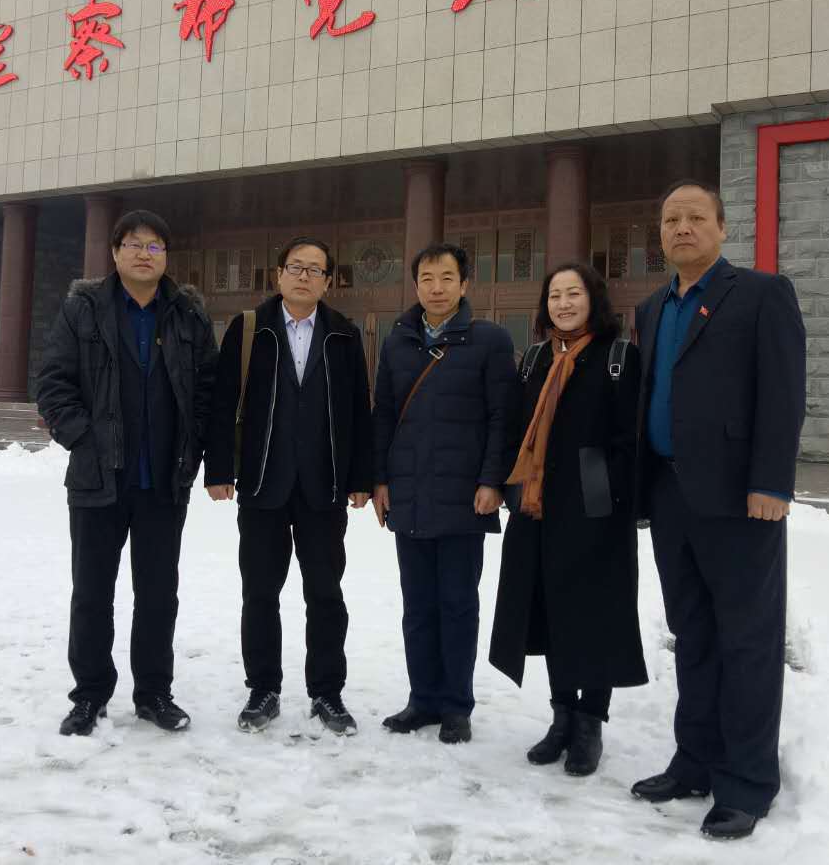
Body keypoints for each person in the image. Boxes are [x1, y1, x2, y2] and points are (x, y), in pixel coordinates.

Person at [629, 180, 806, 840]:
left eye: (695, 217)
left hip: (740, 500)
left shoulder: (761, 294)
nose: (681, 227)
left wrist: (773, 483)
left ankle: (747, 782)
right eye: (670, 219)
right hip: (670, 494)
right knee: (693, 634)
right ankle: (694, 761)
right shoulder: (652, 307)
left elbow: (784, 394)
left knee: (747, 640)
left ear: (722, 227)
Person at [36, 209, 217, 737]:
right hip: (99, 480)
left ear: (167, 257)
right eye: (134, 244)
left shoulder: (187, 314)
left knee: (158, 595)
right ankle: (90, 695)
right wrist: (84, 439)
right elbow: (53, 383)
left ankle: (154, 693)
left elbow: (208, 388)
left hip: (163, 481)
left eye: (155, 246)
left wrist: (194, 449)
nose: (144, 254)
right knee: (92, 593)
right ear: (114, 252)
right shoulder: (83, 309)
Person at [203, 236, 373, 735]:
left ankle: (327, 692)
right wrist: (219, 469)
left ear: (327, 281)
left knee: (326, 594)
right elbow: (222, 402)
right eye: (295, 267)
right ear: (278, 275)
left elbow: (359, 410)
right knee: (260, 592)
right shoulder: (249, 329)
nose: (303, 276)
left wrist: (360, 477)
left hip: (324, 487)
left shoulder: (344, 334)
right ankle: (263, 688)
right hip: (263, 484)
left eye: (314, 269)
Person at [488, 262, 648, 776]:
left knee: (594, 616)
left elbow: (630, 438)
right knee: (552, 613)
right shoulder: (537, 357)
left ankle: (590, 723)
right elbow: (518, 426)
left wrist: (604, 489)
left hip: (596, 511)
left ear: (593, 299)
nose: (563, 304)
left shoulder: (618, 356)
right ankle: (561, 716)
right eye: (555, 295)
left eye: (573, 293)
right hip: (539, 510)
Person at [371, 243, 518, 744]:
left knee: (457, 604)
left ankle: (456, 705)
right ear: (415, 285)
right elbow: (383, 414)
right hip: (408, 492)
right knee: (417, 606)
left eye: (447, 278)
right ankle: (423, 699)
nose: (436, 288)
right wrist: (380, 479)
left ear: (464, 283)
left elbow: (502, 418)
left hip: (463, 495)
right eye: (427, 279)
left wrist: (492, 480)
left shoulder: (489, 340)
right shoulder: (397, 341)